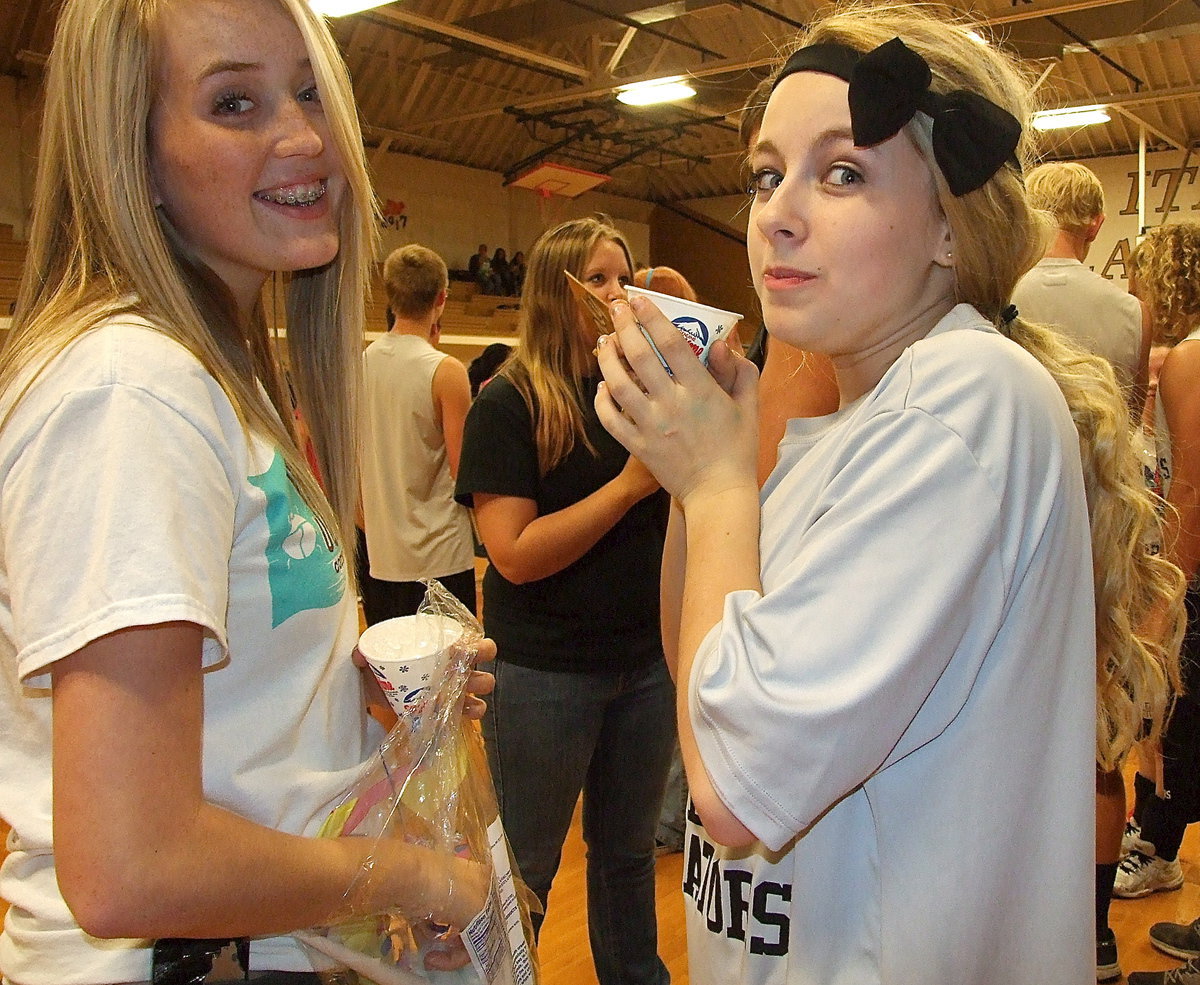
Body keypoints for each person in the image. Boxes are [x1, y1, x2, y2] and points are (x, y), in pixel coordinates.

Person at [593, 6, 1183, 983]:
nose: (778, 209)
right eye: (766, 173)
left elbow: (735, 785)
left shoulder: (963, 398)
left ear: (952, 225)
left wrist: (719, 479)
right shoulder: (852, 429)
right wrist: (698, 481)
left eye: (842, 173)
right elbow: (705, 680)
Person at [0, 2, 493, 984]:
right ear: (130, 154)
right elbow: (131, 866)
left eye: (311, 90)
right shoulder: (133, 389)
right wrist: (417, 877)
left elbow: (218, 730)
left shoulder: (211, 379)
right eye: (235, 102)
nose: (305, 136)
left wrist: (355, 702)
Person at [456, 215, 674, 985]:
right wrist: (627, 487)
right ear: (560, 291)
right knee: (524, 869)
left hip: (644, 666)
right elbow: (511, 554)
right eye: (600, 278)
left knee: (625, 855)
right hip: (545, 675)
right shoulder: (510, 404)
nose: (617, 294)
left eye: (625, 276)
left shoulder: (641, 393)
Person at [1010, 159, 1154, 979]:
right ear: (1094, 223)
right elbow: (1126, 432)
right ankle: (1094, 934)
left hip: (1020, 530)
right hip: (1105, 535)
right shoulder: (1130, 309)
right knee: (1102, 746)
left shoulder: (1001, 300)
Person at [1120, 221, 1200, 985]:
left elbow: (1191, 490)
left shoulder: (1192, 359)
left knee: (1174, 728)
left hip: (1193, 574)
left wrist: (1162, 603)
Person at [359, 244, 477, 625]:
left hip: (381, 554)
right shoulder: (446, 370)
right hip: (440, 554)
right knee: (452, 679)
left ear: (389, 296)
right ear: (442, 298)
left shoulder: (359, 363)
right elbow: (464, 473)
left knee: (394, 679)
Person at [1013, 161, 1151, 417]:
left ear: (1029, 219)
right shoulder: (1135, 312)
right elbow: (1132, 416)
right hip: (1104, 454)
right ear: (1096, 225)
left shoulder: (994, 298)